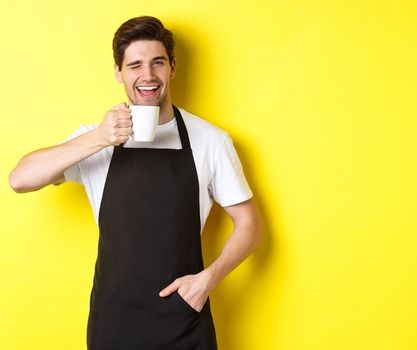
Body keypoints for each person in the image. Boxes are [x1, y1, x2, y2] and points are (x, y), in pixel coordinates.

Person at [8, 16, 262, 349]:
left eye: (157, 62)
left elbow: (249, 224)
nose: (148, 76)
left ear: (172, 67)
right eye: (135, 65)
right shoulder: (96, 138)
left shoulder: (209, 140)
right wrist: (99, 138)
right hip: (113, 322)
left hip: (184, 320)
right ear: (118, 72)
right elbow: (20, 179)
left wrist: (207, 281)